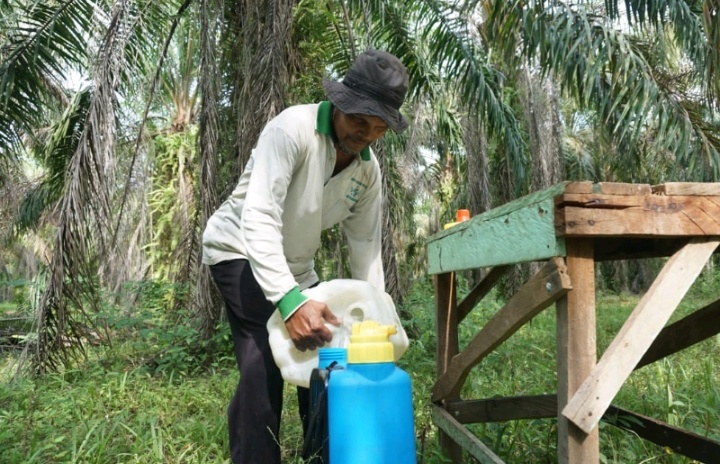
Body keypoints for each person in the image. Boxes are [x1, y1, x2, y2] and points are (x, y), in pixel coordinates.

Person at [201, 49, 410, 464]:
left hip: (297, 267)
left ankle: (323, 457)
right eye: (358, 120)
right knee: (264, 360)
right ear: (340, 103)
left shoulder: (367, 172)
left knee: (331, 357)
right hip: (238, 248)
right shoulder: (291, 129)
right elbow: (258, 217)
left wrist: (377, 315)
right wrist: (291, 302)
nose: (364, 134)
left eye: (377, 127)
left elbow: (366, 245)